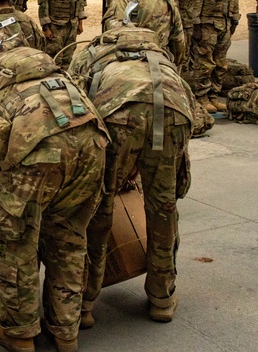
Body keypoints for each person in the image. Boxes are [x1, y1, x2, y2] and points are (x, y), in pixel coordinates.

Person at [0, 46, 108, 352]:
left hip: (38, 156)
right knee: (69, 239)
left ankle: (20, 335)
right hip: (92, 146)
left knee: (16, 244)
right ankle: (66, 331)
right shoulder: (55, 73)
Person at [68, 25, 192, 325]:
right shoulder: (161, 54)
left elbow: (76, 104)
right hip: (174, 109)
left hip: (118, 113)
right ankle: (161, 298)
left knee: (98, 208)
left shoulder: (92, 52)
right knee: (163, 208)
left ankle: (85, 304)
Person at [180, 0, 241, 114]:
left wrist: (234, 20)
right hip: (207, 25)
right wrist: (196, 26)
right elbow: (194, 1)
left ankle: (214, 95)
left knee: (221, 64)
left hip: (224, 24)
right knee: (204, 63)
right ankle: (202, 96)